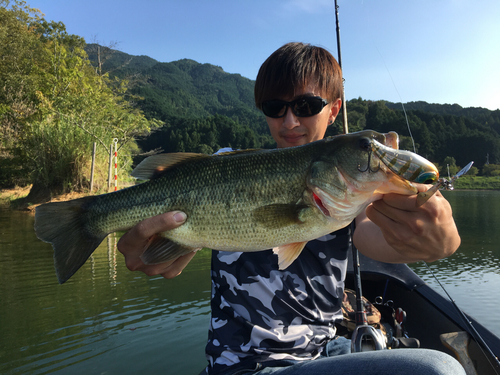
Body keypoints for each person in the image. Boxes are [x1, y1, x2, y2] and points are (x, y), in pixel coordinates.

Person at [117, 42, 464, 375]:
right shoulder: (222, 166)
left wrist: (441, 242)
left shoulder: (351, 196)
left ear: (334, 109)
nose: (289, 122)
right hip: (247, 365)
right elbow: (166, 243)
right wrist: (156, 252)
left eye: (306, 106)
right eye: (274, 108)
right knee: (438, 370)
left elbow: (378, 239)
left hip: (327, 354)